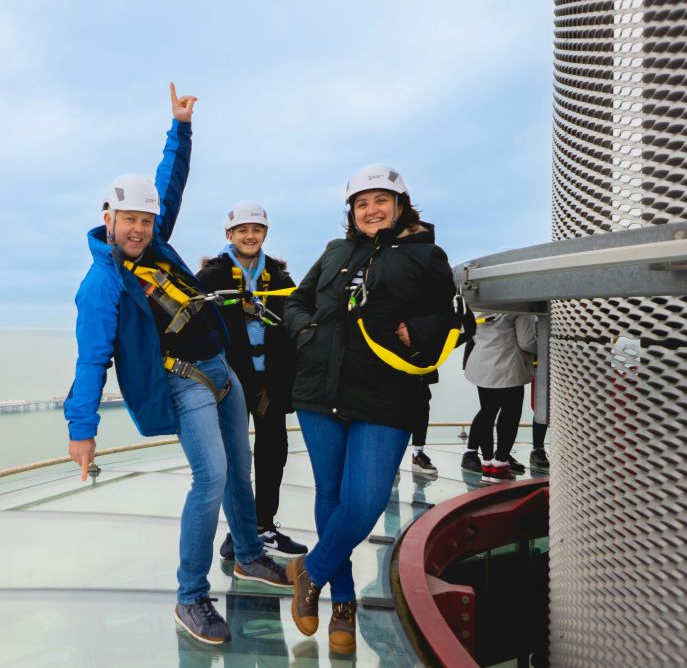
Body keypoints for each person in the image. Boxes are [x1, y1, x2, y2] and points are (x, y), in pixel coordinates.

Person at [63, 84, 290, 647]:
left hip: (221, 371)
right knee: (210, 477)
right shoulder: (102, 285)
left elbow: (169, 183)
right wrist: (81, 431)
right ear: (107, 218)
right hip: (183, 382)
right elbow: (91, 360)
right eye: (129, 219)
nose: (139, 228)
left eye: (146, 219)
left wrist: (180, 128)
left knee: (241, 471)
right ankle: (191, 597)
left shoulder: (156, 245)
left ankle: (249, 556)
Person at [283, 164, 457, 654]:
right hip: (321, 390)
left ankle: (310, 571)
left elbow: (448, 315)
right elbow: (297, 301)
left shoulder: (427, 256)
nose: (371, 210)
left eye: (381, 200)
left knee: (365, 499)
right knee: (331, 495)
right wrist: (303, 333)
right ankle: (342, 600)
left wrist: (418, 333)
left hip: (387, 394)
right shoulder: (336, 252)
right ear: (352, 213)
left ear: (401, 206)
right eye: (361, 204)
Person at [197, 201, 308, 558]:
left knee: (273, 451)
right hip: (229, 380)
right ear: (229, 235)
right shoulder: (212, 277)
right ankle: (239, 531)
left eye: (256, 230)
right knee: (234, 457)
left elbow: (297, 314)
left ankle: (264, 525)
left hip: (270, 381)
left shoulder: (278, 276)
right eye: (242, 230)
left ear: (265, 234)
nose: (249, 236)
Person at [459, 313, 537, 482]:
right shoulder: (520, 305)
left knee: (487, 412)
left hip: (482, 365)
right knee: (511, 414)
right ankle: (500, 464)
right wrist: (547, 346)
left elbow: (470, 331)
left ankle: (487, 463)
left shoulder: (479, 302)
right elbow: (527, 342)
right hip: (508, 367)